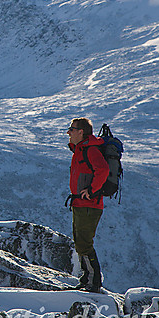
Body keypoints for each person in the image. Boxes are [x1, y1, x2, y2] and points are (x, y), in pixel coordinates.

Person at [66, 117, 110, 292]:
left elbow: (103, 169)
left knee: (84, 243)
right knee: (80, 241)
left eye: (71, 129)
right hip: (80, 202)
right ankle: (87, 278)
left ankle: (93, 282)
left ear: (80, 132)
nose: (68, 132)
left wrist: (91, 191)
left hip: (89, 204)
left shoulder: (90, 150)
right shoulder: (81, 149)